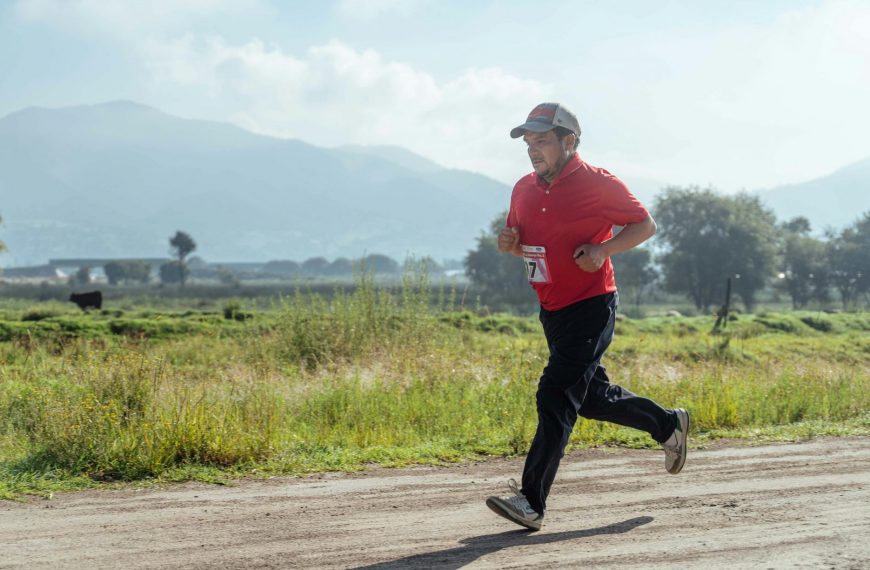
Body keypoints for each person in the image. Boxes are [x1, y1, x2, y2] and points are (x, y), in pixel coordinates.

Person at [485, 102, 689, 531]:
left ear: (569, 141)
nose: (532, 150)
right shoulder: (523, 188)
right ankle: (667, 424)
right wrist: (510, 245)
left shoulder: (599, 184)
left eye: (541, 141)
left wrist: (603, 250)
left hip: (592, 305)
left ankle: (531, 501)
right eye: (528, 142)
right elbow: (527, 246)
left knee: (555, 393)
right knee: (592, 398)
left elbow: (644, 225)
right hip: (552, 309)